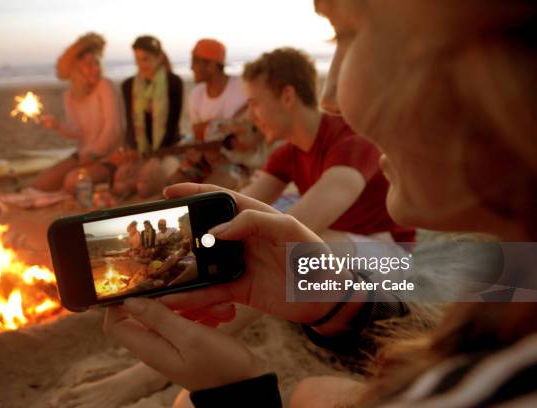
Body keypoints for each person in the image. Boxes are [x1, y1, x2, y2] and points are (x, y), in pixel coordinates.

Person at [103, 0, 537, 407]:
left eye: (345, 33)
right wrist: (178, 236)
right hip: (356, 279)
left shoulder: (343, 140)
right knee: (310, 389)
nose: (330, 97)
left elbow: (308, 217)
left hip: (394, 263)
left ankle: (152, 370)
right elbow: (245, 205)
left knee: (305, 239)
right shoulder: (286, 153)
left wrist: (234, 393)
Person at [240, 47, 414, 245]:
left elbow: (298, 226)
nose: (249, 116)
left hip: (386, 248)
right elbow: (241, 204)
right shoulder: (288, 153)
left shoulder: (351, 139)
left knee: (298, 243)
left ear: (287, 96)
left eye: (254, 104)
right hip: (339, 240)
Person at [33, 32, 124, 193]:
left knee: (71, 182)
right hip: (85, 154)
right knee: (42, 184)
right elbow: (77, 132)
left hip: (110, 155)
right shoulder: (69, 95)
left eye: (97, 63)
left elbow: (113, 129)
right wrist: (57, 125)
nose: (95, 68)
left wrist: (93, 154)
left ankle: (108, 177)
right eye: (89, 64)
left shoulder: (105, 86)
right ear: (76, 68)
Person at [112, 35, 184, 198]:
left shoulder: (174, 82)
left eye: (145, 59)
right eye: (137, 60)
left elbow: (172, 127)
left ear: (159, 57)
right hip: (141, 151)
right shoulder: (128, 85)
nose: (141, 65)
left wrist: (156, 157)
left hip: (168, 149)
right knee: (120, 184)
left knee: (144, 186)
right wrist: (131, 154)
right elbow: (131, 125)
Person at [170, 38, 249, 186]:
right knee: (174, 186)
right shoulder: (195, 95)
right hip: (208, 159)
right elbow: (199, 137)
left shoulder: (243, 86)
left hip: (242, 162)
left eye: (195, 62)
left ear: (211, 66)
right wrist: (195, 150)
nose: (191, 68)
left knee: (211, 192)